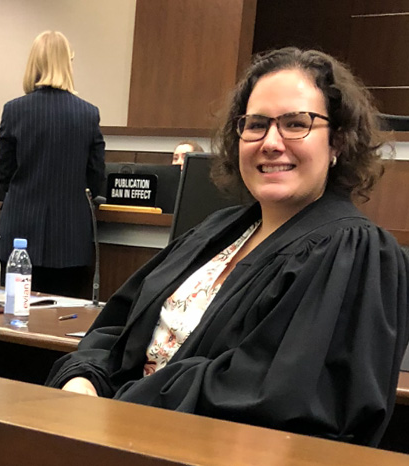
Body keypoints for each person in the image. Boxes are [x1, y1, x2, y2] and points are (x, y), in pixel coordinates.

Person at [46, 47, 409, 446]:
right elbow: (120, 325)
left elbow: (278, 401)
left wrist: (121, 403)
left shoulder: (354, 252)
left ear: (338, 141)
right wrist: (84, 377)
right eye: (255, 125)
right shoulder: (218, 231)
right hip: (122, 438)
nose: (271, 142)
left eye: (295, 123)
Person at [0, 31, 105, 297]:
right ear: (68, 63)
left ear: (34, 64)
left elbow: (3, 172)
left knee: (11, 320)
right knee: (61, 323)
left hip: (17, 233)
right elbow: (96, 174)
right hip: (70, 240)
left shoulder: (14, 110)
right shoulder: (88, 113)